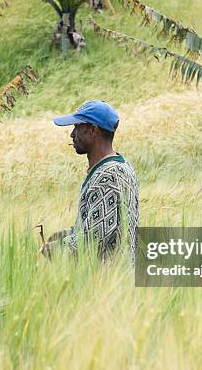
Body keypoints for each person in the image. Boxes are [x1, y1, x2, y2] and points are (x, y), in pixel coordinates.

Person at [41, 100, 139, 261]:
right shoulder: (120, 165)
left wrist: (56, 249)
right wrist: (68, 233)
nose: (72, 134)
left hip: (108, 279)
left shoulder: (108, 176)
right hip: (120, 276)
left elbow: (94, 239)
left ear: (93, 130)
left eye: (77, 128)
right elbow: (104, 223)